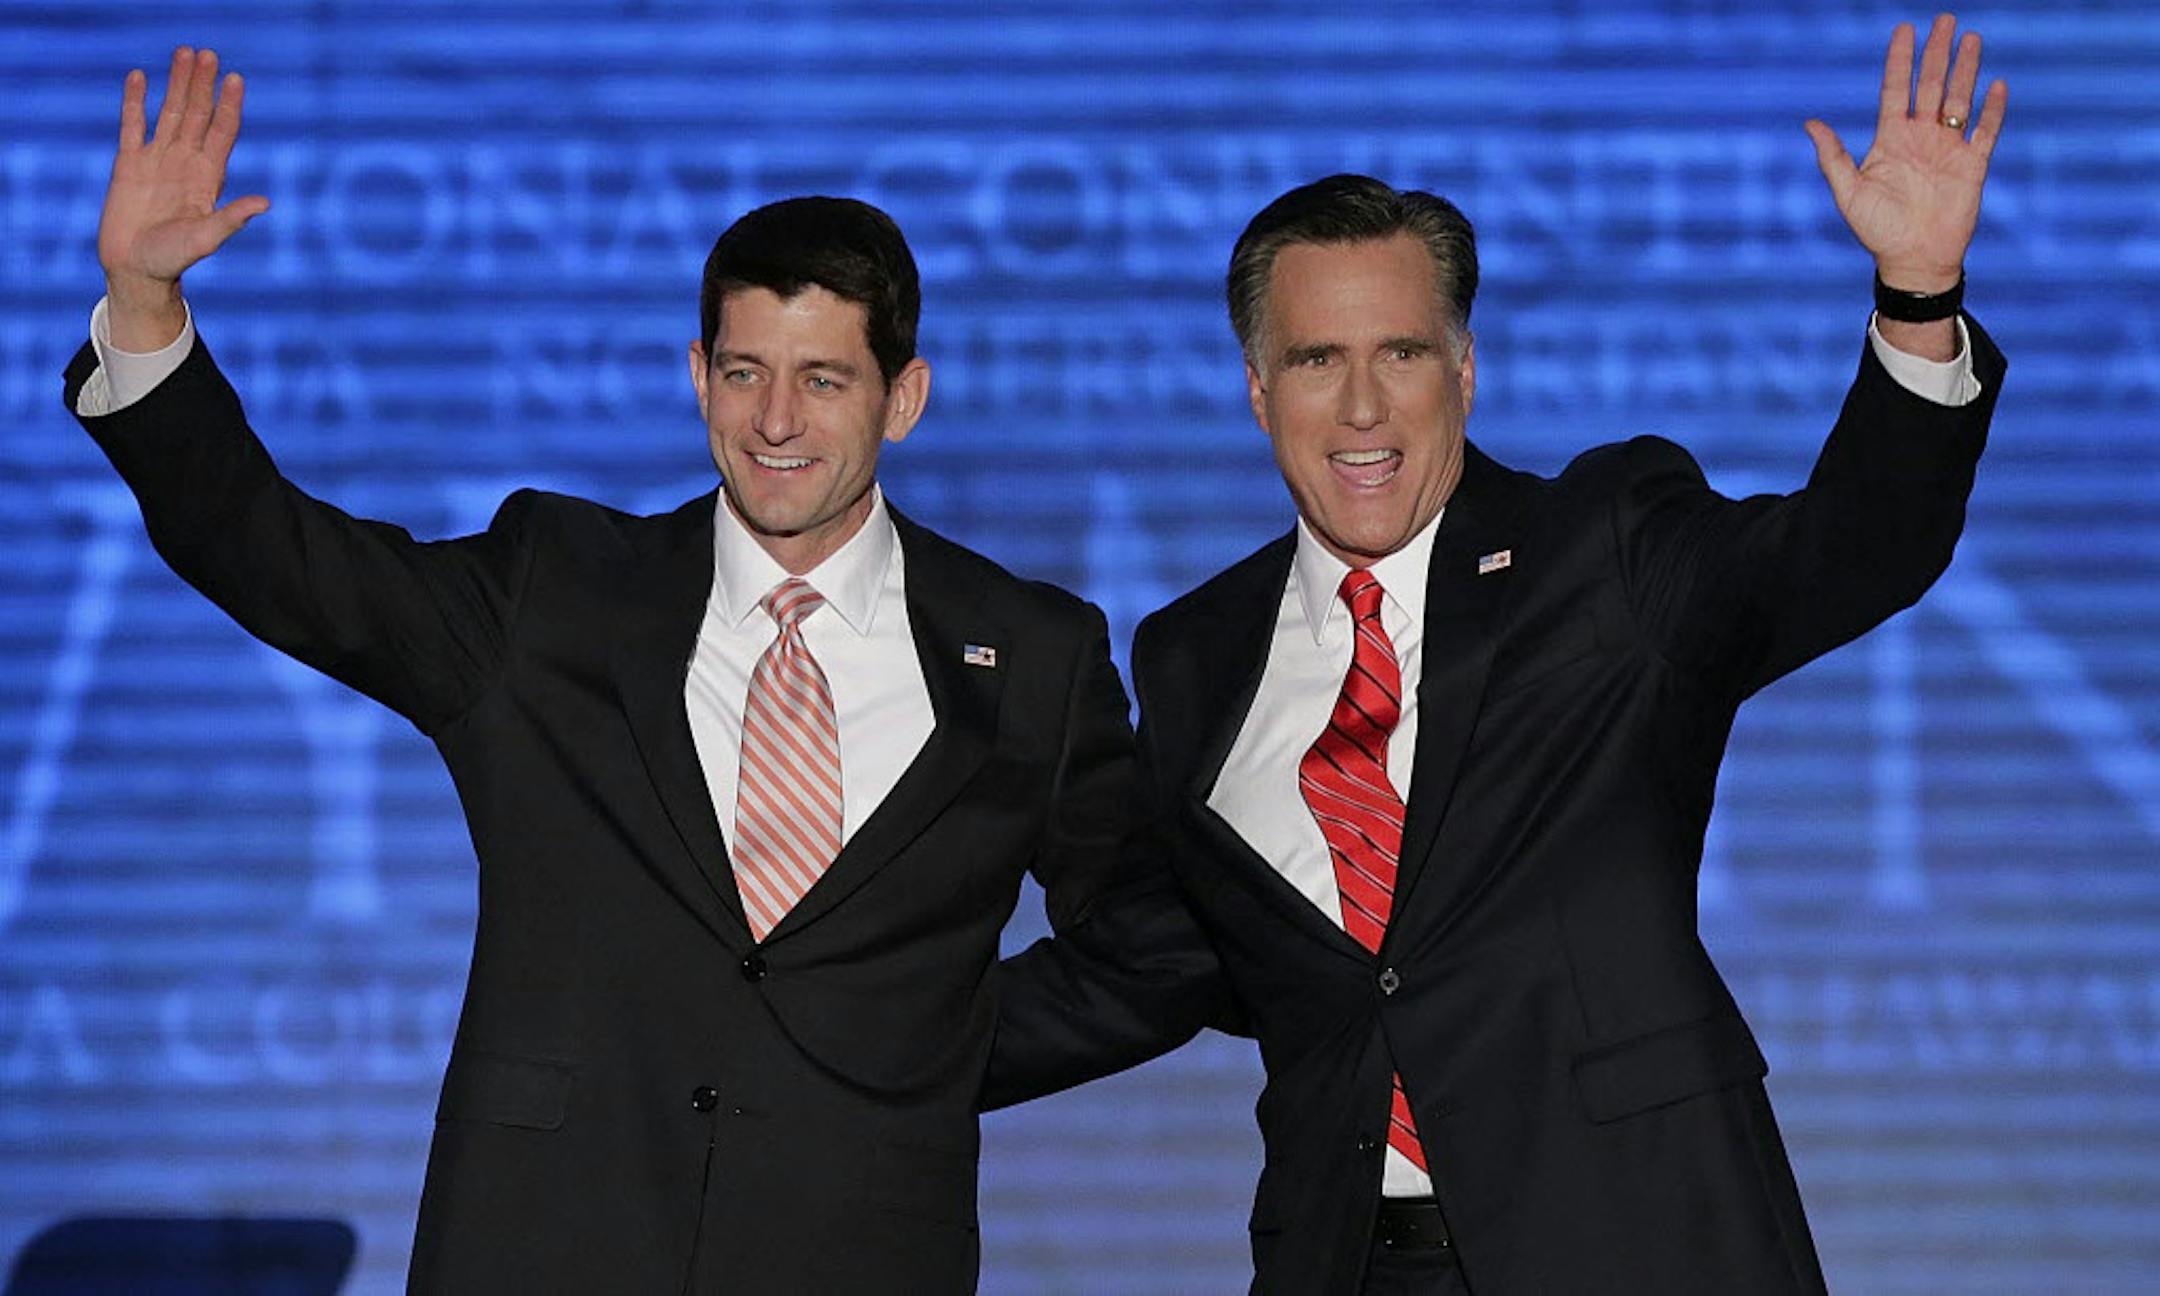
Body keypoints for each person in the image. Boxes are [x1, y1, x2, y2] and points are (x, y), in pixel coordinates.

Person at [67, 46, 1217, 1294]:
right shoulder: (554, 586)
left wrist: (938, 1042)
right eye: (744, 373)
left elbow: (1158, 947)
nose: (776, 421)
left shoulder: (1029, 651)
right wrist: (143, 304)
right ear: (697, 377)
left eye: (824, 380)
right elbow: (281, 559)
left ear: (906, 398)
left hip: (857, 1249)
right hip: (545, 1244)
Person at [987, 15, 2008, 1294]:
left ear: (1464, 369)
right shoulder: (1193, 654)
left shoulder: (1605, 545)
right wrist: (814, 1042)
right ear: (1258, 391)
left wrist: (1917, 299)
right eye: (1317, 361)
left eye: (1401, 354)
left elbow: (1848, 554)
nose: (1362, 408)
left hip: (1637, 1246)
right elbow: (1155, 964)